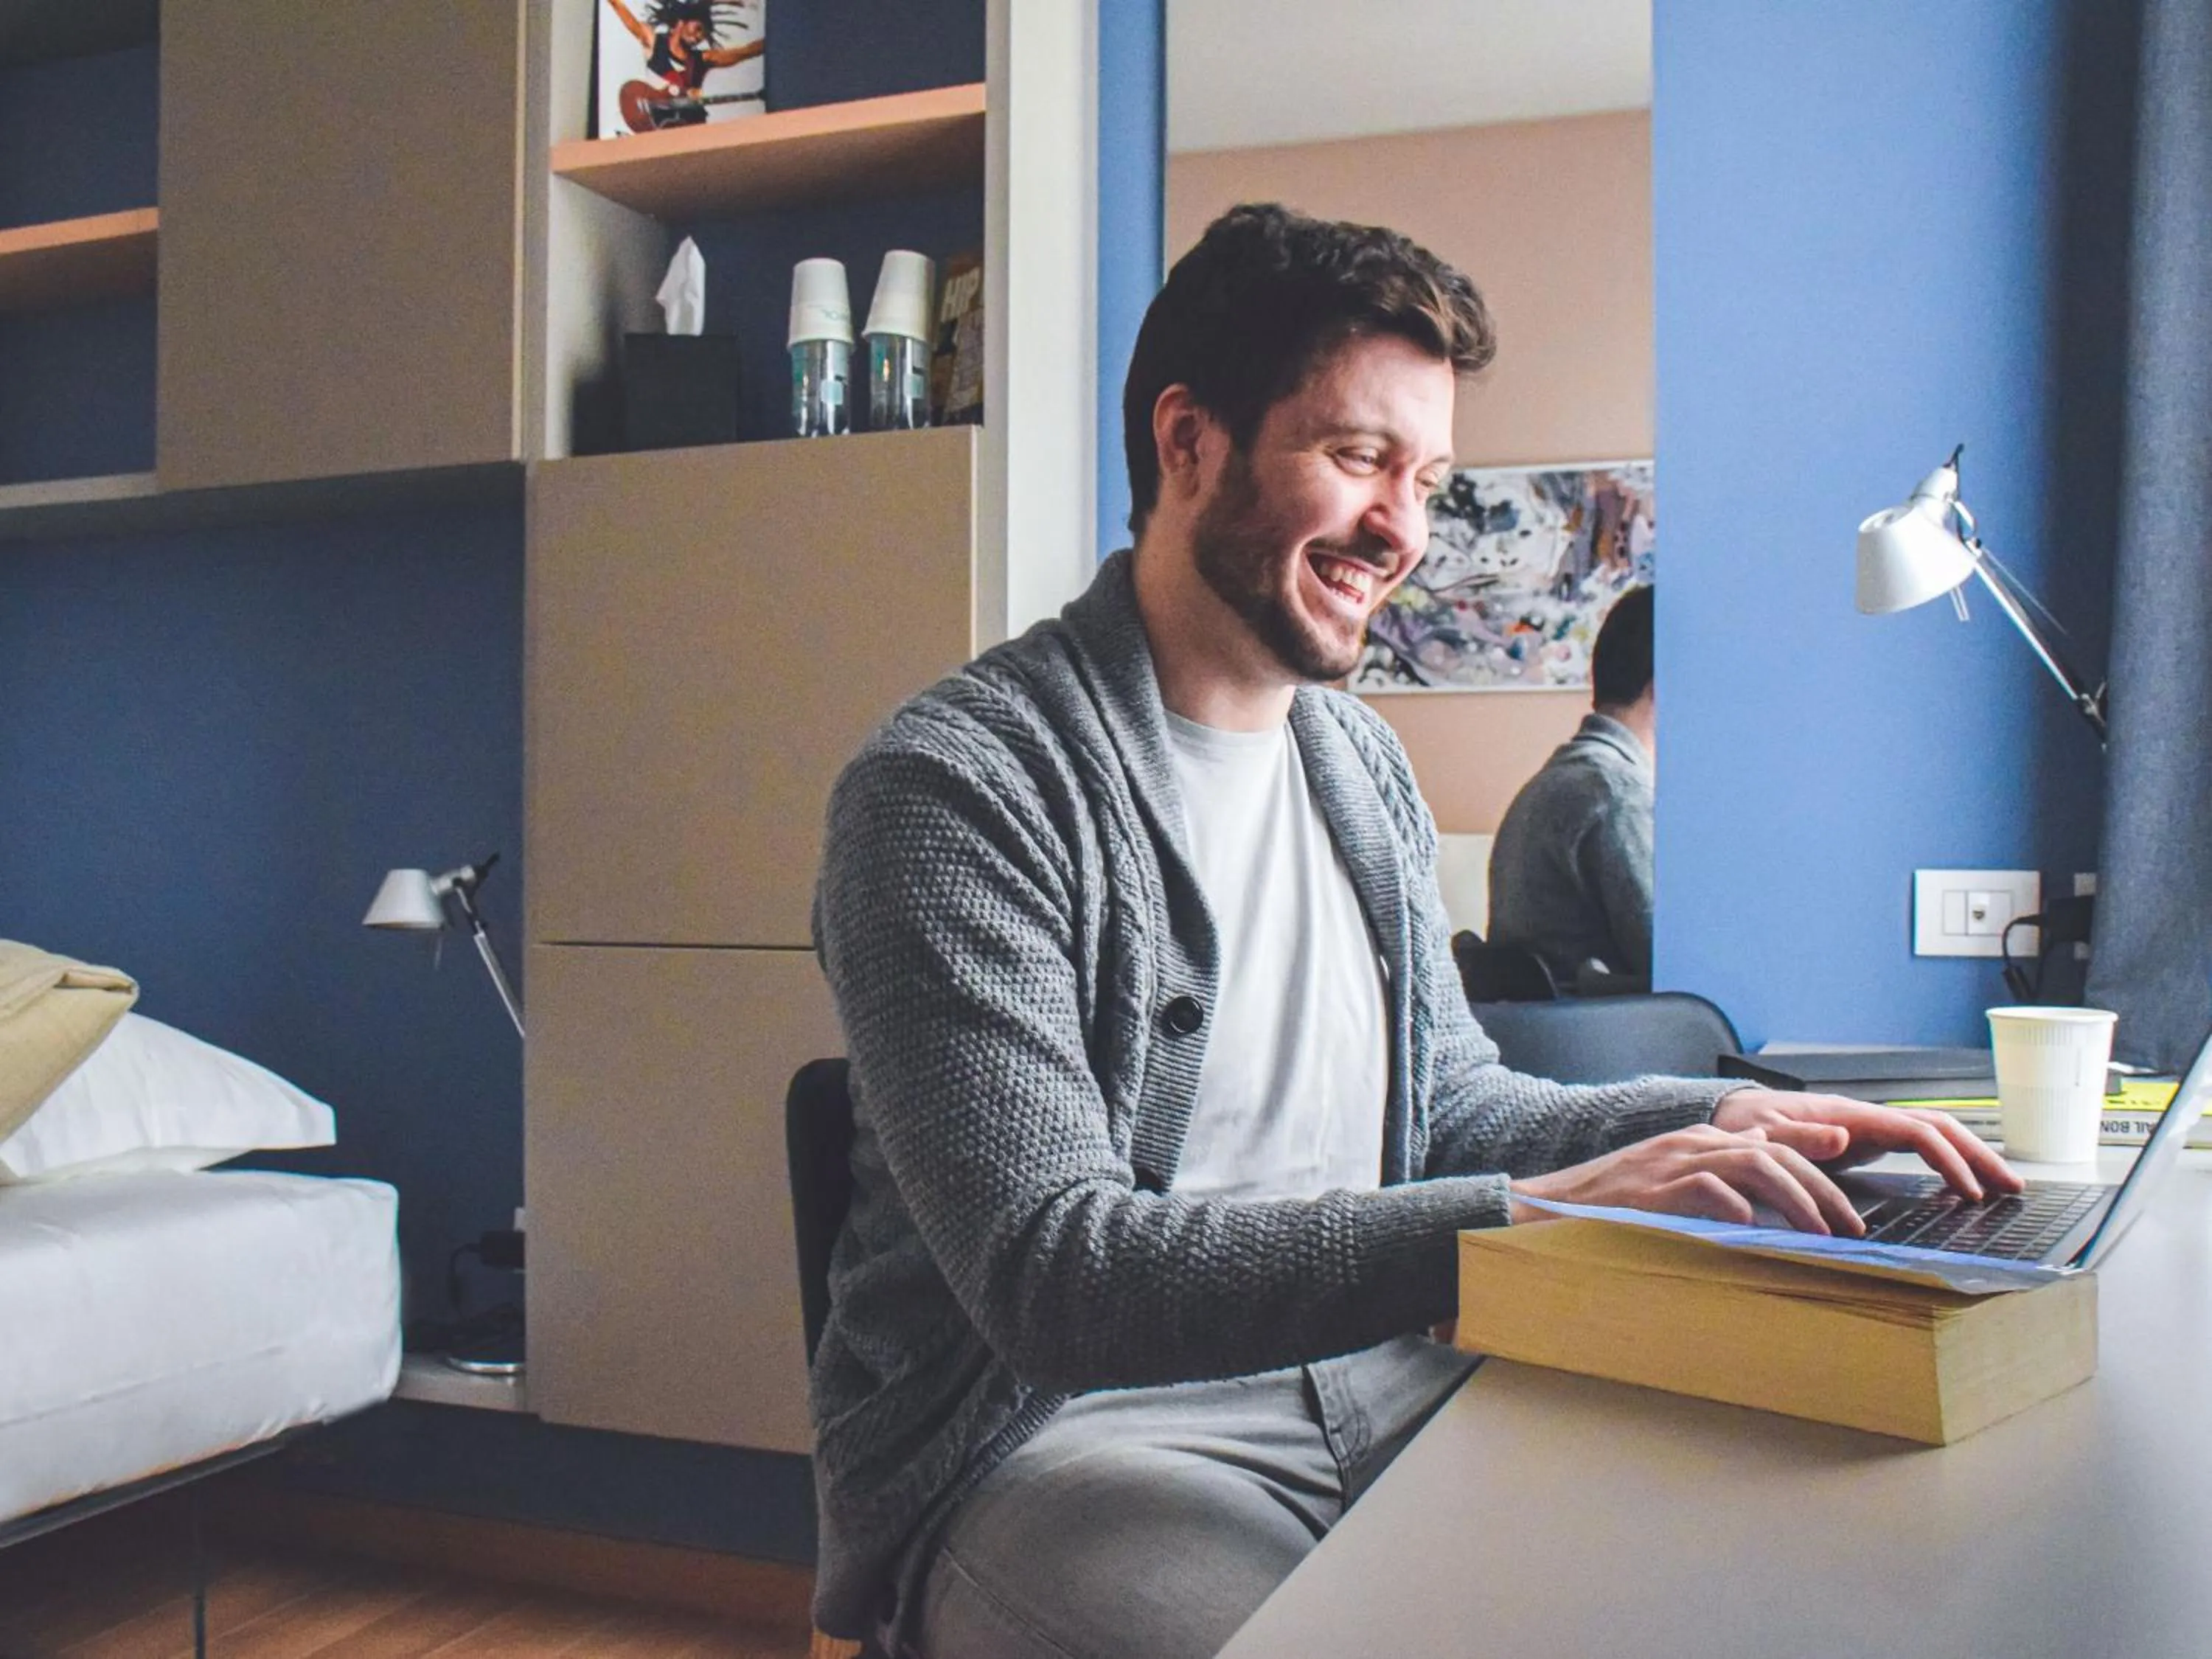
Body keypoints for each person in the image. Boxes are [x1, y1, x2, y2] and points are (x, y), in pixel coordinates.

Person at [810, 204, 2019, 1659]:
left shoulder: (1358, 761)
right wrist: (1559, 1221)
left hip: (1394, 1376)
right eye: (1359, 458)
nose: (1404, 533)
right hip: (1072, 1447)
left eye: (1430, 479)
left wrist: (1752, 1124)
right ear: (1189, 442)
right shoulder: (954, 791)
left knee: (1801, 1571)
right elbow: (1061, 1280)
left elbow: (1450, 1105)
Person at [1486, 582, 1658, 990]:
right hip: (1603, 1044)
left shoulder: (1558, 780)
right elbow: (1674, 966)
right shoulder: (1617, 796)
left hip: (1545, 1041)